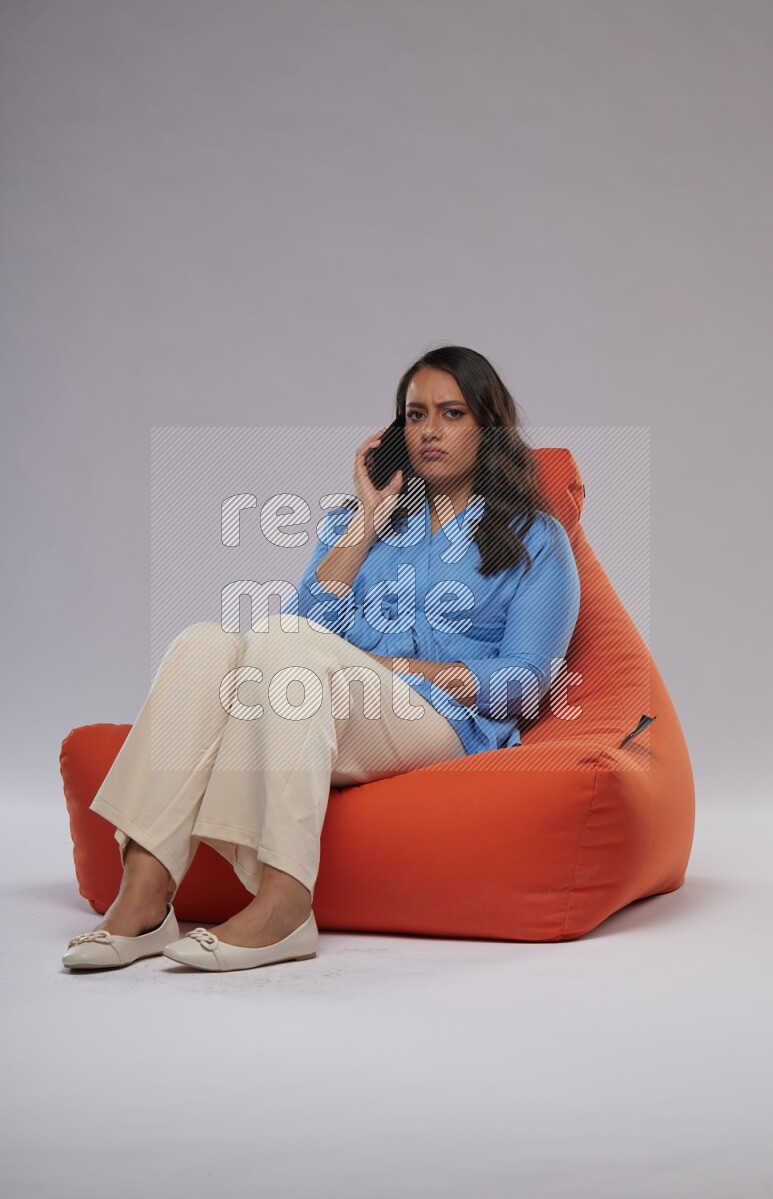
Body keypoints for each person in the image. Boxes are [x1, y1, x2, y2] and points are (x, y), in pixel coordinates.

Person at [61, 345, 581, 973]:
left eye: (452, 413)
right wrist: (367, 518)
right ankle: (144, 894)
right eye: (415, 416)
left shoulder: (535, 538)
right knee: (205, 643)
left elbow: (524, 684)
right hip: (329, 699)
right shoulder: (355, 527)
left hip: (445, 722)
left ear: (487, 427)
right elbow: (301, 630)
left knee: (284, 648)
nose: (430, 431)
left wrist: (402, 672)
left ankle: (285, 902)